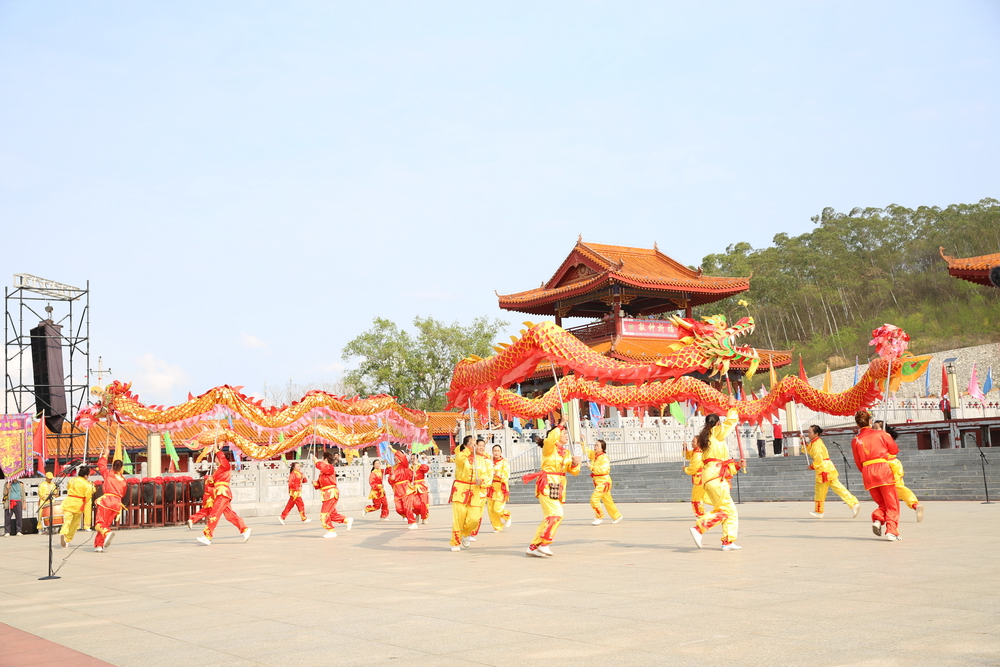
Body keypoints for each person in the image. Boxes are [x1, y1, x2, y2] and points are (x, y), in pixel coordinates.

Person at [690, 398, 745, 551]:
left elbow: (718, 462)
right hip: (715, 477)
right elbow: (732, 421)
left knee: (726, 510)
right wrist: (732, 406)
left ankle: (727, 541)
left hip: (711, 477)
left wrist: (737, 465)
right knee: (728, 510)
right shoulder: (715, 432)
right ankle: (699, 528)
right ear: (718, 424)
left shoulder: (706, 438)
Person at [523, 425, 582, 557]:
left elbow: (574, 472)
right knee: (556, 514)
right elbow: (550, 439)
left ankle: (533, 547)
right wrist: (560, 424)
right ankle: (544, 543)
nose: (566, 435)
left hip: (559, 487)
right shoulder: (549, 448)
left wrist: (574, 464)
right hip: (547, 484)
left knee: (549, 517)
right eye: (564, 433)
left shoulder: (567, 452)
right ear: (556, 435)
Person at [851, 410, 901, 541]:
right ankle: (891, 531)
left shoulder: (856, 440)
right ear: (870, 421)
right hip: (882, 469)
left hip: (867, 471)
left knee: (882, 503)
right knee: (891, 503)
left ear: (857, 424)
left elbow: (858, 462)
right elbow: (894, 450)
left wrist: (866, 471)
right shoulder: (881, 434)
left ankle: (878, 520)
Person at [197, 449, 252, 546]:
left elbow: (222, 458)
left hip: (222, 492)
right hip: (219, 493)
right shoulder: (218, 471)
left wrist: (217, 450)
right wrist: (209, 479)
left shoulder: (226, 466)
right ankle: (244, 529)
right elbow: (212, 484)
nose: (215, 460)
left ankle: (208, 536)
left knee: (215, 513)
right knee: (229, 514)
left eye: (216, 458)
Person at [804, 425, 860, 519]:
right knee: (838, 487)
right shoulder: (816, 442)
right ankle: (853, 503)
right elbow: (808, 450)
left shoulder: (816, 444)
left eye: (810, 432)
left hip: (823, 469)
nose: (808, 434)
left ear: (816, 433)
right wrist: (803, 442)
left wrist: (812, 466)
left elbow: (818, 459)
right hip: (827, 468)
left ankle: (819, 511)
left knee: (820, 491)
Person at [875, 422, 925, 523]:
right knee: (893, 491)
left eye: (876, 427)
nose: (874, 429)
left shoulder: (884, 437)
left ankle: (915, 505)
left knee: (897, 489)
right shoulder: (879, 437)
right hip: (889, 465)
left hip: (890, 466)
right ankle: (911, 506)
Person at [449, 437, 491, 551]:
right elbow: (459, 459)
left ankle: (466, 533)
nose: (477, 447)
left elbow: (487, 475)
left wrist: (481, 480)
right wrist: (469, 449)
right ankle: (455, 542)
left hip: (475, 491)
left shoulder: (483, 460)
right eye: (474, 444)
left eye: (477, 445)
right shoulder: (462, 456)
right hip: (460, 489)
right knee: (459, 517)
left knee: (474, 518)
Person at [94, 444, 128, 552]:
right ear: (121, 468)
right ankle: (99, 545)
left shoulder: (108, 474)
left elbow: (101, 465)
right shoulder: (123, 480)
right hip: (117, 503)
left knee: (99, 523)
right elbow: (123, 493)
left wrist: (105, 454)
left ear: (113, 466)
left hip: (107, 501)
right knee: (105, 524)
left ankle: (107, 533)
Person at [312, 450, 353, 538]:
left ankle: (331, 530)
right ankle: (346, 520)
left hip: (331, 493)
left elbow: (322, 467)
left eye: (322, 459)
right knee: (331, 513)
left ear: (326, 459)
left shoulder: (330, 467)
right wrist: (315, 483)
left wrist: (316, 461)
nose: (321, 461)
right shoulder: (323, 472)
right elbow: (319, 485)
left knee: (324, 513)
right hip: (326, 494)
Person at [585, 439, 622, 526]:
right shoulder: (595, 455)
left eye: (597, 445)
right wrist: (583, 441)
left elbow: (603, 470)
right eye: (595, 445)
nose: (595, 447)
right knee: (608, 501)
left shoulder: (604, 458)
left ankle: (599, 516)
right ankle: (617, 516)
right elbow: (586, 451)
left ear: (602, 448)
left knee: (594, 499)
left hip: (604, 482)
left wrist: (591, 467)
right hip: (598, 481)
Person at [59, 466, 95, 548]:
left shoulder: (72, 480)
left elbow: (68, 487)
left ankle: (63, 533)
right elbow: (88, 496)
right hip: (78, 504)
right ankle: (67, 540)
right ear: (86, 475)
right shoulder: (87, 484)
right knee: (74, 524)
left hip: (69, 501)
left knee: (67, 521)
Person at [386, 449, 418, 528]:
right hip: (397, 490)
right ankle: (410, 515)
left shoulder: (404, 464)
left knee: (407, 506)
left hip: (405, 488)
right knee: (399, 509)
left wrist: (393, 450)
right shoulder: (393, 468)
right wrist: (391, 479)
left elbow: (403, 457)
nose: (395, 458)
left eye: (396, 456)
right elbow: (390, 481)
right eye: (394, 457)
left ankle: (413, 522)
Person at [486, 444, 511, 532]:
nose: (496, 452)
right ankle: (498, 527)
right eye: (494, 451)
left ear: (501, 452)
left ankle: (507, 516)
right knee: (491, 510)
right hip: (490, 488)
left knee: (497, 509)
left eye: (498, 451)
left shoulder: (504, 462)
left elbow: (506, 476)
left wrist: (498, 474)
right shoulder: (489, 462)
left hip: (500, 488)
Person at [683, 435, 706, 518]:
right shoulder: (696, 452)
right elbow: (688, 456)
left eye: (694, 441)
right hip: (699, 478)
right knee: (700, 497)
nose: (692, 443)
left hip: (700, 478)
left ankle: (701, 515)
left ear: (699, 443)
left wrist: (686, 469)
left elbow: (693, 468)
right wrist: (685, 448)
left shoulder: (698, 454)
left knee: (697, 498)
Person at [410, 456, 431, 525]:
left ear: (417, 459)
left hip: (422, 486)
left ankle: (424, 518)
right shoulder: (410, 469)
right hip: (413, 487)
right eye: (411, 459)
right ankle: (417, 515)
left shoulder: (421, 466)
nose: (412, 460)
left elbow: (426, 469)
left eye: (414, 459)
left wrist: (418, 464)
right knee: (415, 503)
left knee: (423, 503)